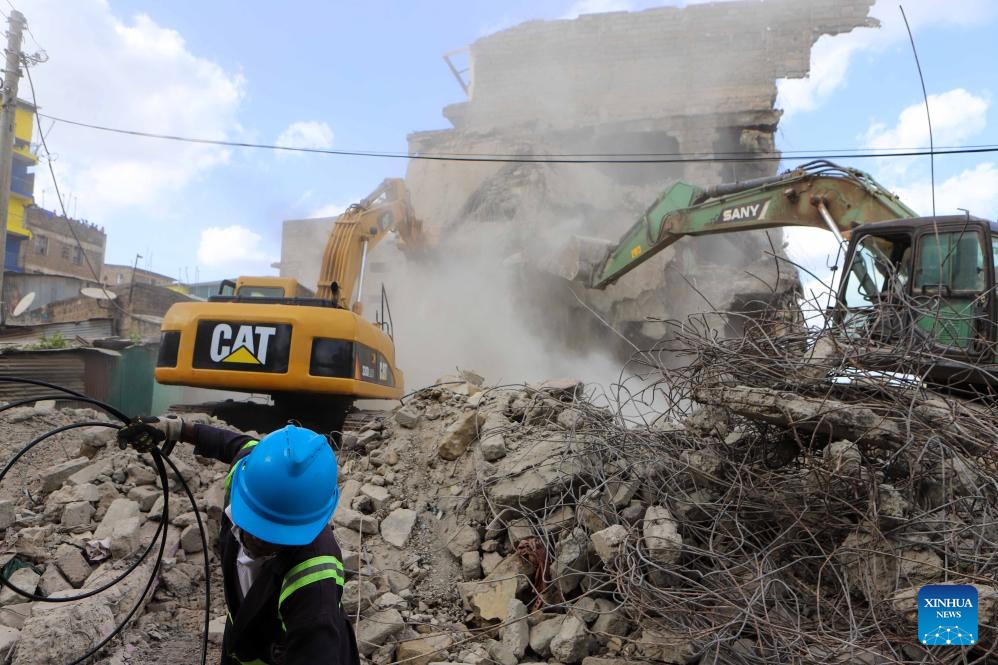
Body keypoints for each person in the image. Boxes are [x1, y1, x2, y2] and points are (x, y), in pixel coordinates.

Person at [117, 415, 359, 665]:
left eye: (273, 533)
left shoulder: (314, 589)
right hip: (244, 636)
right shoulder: (253, 472)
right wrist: (174, 429)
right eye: (255, 521)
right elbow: (236, 444)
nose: (258, 537)